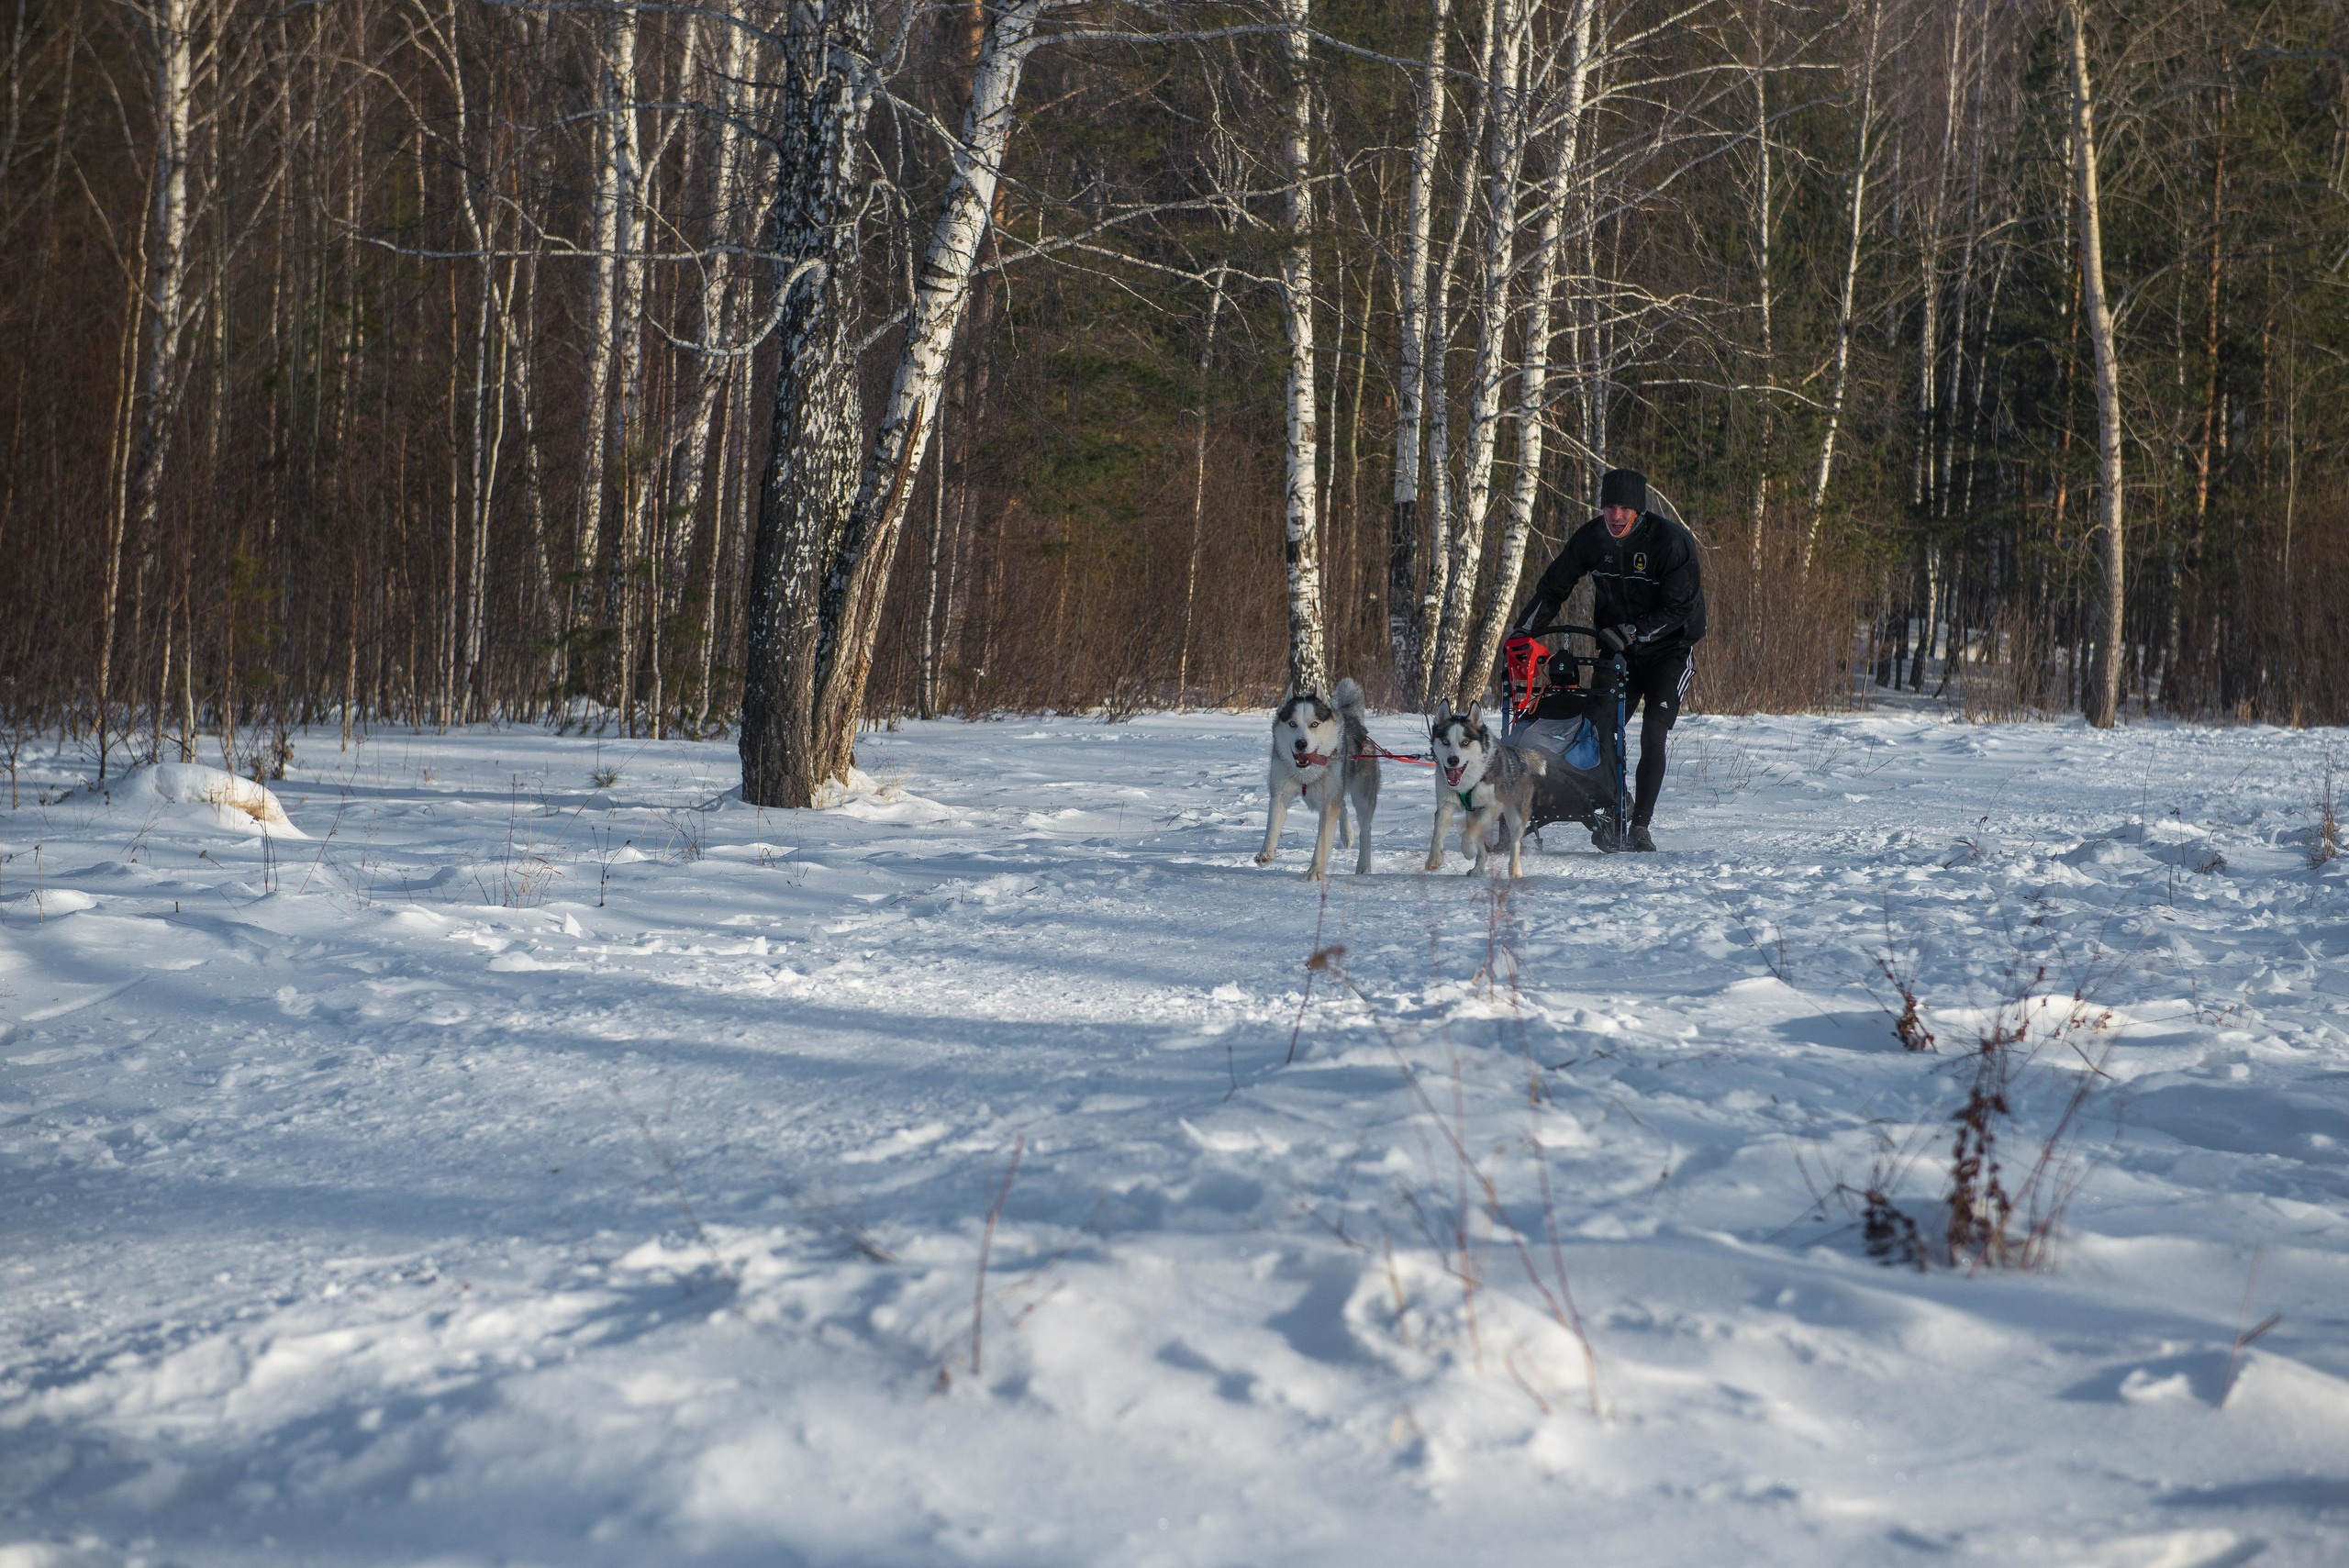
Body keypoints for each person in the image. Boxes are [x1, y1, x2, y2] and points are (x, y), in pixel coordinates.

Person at [1506, 467, 1706, 852]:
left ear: (1639, 511)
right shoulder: (1592, 539)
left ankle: (1640, 827)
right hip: (1618, 651)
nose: (1615, 517)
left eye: (1624, 509)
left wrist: (1634, 630)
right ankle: (1618, 804)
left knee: (1653, 732)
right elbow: (1553, 588)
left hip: (1670, 649)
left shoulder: (1670, 543)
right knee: (1598, 729)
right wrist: (1522, 632)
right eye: (1609, 507)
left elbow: (1682, 608)